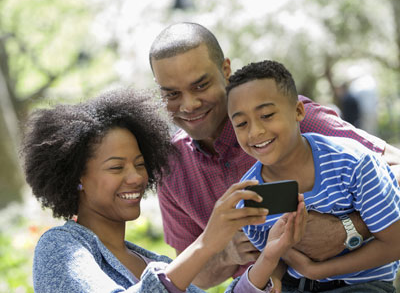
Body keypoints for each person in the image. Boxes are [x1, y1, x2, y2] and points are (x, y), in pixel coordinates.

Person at [148, 22, 400, 289]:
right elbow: (191, 276)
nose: (188, 104)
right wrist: (226, 254)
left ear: (225, 71)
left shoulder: (292, 120)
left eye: (200, 85)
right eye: (172, 94)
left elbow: (393, 168)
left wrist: (349, 228)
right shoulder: (171, 167)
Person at [21, 88, 308, 293]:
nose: (135, 177)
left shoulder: (155, 262)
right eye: (116, 167)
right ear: (75, 177)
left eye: (140, 164)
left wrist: (268, 256)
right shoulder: (59, 248)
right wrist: (206, 243)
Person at [227, 59, 400, 292]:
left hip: (363, 285)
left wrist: (318, 271)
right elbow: (273, 256)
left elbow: (394, 243)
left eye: (267, 115)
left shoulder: (351, 163)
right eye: (241, 123)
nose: (255, 131)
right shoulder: (252, 194)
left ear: (298, 111)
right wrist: (274, 278)